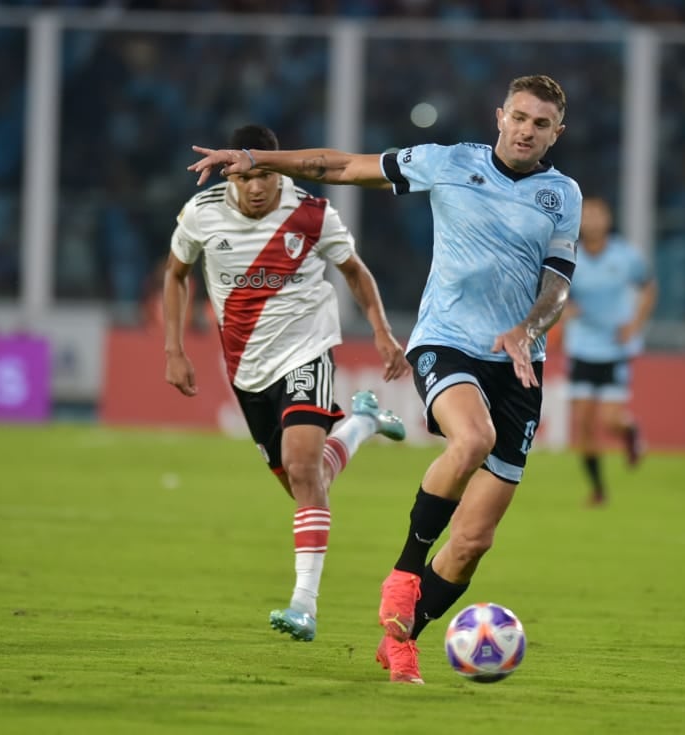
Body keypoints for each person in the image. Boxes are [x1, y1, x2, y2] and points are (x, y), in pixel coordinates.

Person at [188, 74, 583, 684]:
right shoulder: (447, 163)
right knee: (470, 440)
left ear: (557, 133)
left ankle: (402, 639)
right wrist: (257, 158)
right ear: (499, 116)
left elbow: (558, 284)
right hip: (447, 343)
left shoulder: (564, 196)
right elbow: (340, 166)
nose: (527, 130)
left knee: (475, 538)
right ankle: (404, 572)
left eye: (541, 124)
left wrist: (529, 329)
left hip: (520, 365)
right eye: (520, 117)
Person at [165, 124, 410, 643]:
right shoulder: (201, 214)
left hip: (307, 352)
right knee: (307, 481)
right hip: (246, 372)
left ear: (278, 169)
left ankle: (304, 605)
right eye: (247, 177)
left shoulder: (312, 214)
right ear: (233, 173)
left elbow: (354, 271)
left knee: (303, 469)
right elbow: (175, 274)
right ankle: (363, 422)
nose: (257, 188)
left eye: (266, 176)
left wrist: (384, 333)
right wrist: (174, 348)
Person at [561, 196, 657, 506]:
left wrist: (635, 324)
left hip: (615, 348)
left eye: (597, 214)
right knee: (584, 424)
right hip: (581, 347)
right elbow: (555, 292)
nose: (591, 220)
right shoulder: (569, 254)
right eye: (586, 215)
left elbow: (649, 288)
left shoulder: (625, 256)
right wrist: (565, 308)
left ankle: (630, 432)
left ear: (608, 219)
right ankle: (598, 490)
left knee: (610, 421)